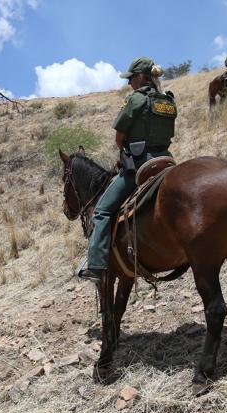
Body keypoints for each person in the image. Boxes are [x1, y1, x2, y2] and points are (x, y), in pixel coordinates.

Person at [78, 57, 177, 283]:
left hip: (140, 165)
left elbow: (119, 137)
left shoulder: (136, 99)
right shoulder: (168, 101)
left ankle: (96, 265)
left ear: (141, 77)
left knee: (102, 211)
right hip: (167, 161)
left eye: (131, 78)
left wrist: (125, 152)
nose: (129, 83)